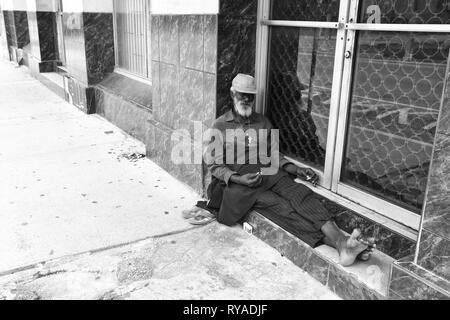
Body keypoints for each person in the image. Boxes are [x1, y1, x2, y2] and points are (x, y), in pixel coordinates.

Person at [186, 74, 375, 267]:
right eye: (242, 95)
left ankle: (343, 244)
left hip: (269, 174)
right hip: (240, 186)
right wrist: (238, 179)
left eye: (250, 96)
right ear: (232, 94)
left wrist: (295, 168)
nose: (245, 100)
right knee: (283, 209)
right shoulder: (220, 125)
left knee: (301, 195)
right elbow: (214, 165)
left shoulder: (263, 123)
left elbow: (274, 155)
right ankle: (342, 245)